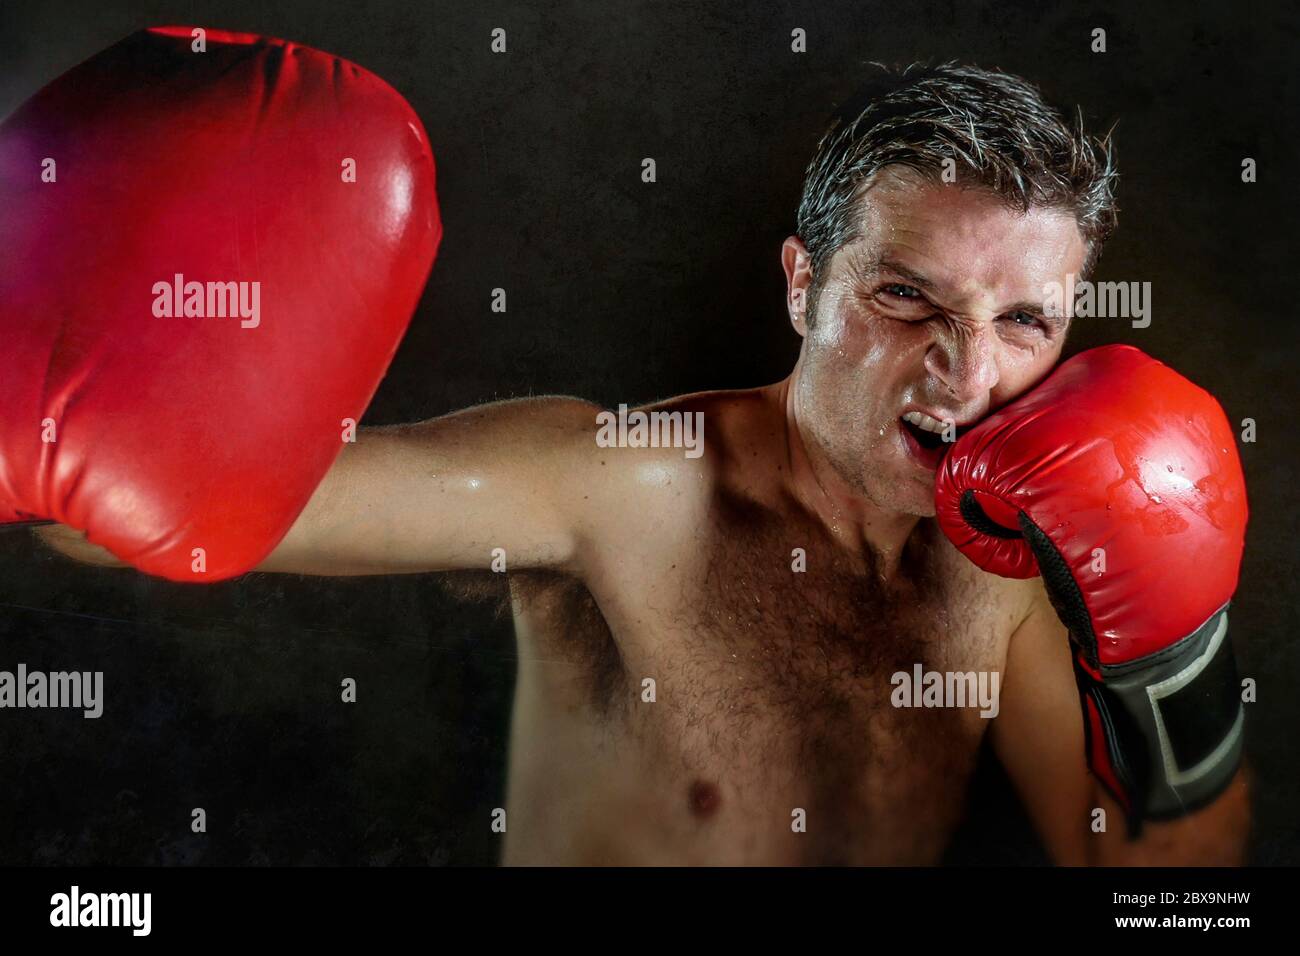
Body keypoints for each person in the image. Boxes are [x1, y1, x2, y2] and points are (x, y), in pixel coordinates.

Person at [14, 36, 1248, 864]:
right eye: (906, 298)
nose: (966, 373)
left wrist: (1177, 643)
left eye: (1023, 320)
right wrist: (70, 388)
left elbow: (1148, 872)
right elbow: (108, 514)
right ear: (801, 286)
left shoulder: (1015, 566)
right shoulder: (620, 485)